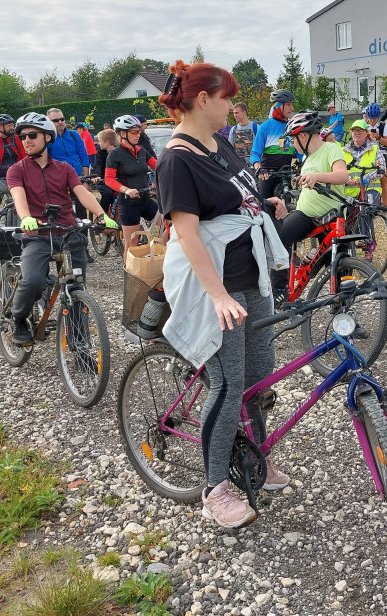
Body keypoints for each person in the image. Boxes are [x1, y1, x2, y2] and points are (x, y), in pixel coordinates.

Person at [154, 60, 289, 528]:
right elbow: (187, 233)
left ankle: (254, 456)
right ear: (203, 100)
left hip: (250, 277)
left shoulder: (222, 144)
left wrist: (265, 203)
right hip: (219, 284)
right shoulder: (176, 158)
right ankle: (214, 488)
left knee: (258, 374)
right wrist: (217, 296)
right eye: (227, 97)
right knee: (228, 382)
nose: (233, 106)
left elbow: (237, 197)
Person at [7, 113, 114, 345]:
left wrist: (101, 215)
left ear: (47, 137)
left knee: (75, 289)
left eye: (32, 135)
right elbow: (18, 196)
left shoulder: (64, 168)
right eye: (22, 136)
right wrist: (26, 218)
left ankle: (79, 345)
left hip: (68, 233)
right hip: (37, 235)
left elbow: (82, 192)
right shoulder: (17, 170)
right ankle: (18, 319)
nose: (26, 140)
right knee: (33, 280)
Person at [271, 111, 350, 302]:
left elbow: (342, 176)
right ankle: (279, 290)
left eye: (294, 139)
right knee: (279, 237)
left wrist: (317, 177)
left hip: (331, 216)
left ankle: (344, 308)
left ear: (303, 136)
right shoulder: (306, 158)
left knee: (341, 264)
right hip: (305, 214)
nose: (293, 144)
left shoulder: (331, 149)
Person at [105, 115, 160, 256]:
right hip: (129, 204)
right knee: (132, 244)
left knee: (168, 224)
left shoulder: (141, 151)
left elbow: (158, 166)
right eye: (134, 132)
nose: (138, 135)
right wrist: (126, 189)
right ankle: (128, 275)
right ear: (123, 134)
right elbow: (109, 179)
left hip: (146, 199)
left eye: (139, 132)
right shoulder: (115, 154)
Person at [45, 107, 92, 219]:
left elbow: (84, 156)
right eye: (55, 120)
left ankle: (83, 234)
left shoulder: (74, 135)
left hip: (77, 176)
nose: (60, 122)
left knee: (82, 207)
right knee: (62, 209)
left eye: (62, 119)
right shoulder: (48, 138)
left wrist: (86, 179)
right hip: (58, 178)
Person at [251, 90, 296, 199]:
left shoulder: (292, 126)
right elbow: (255, 153)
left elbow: (298, 152)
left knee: (286, 210)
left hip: (286, 175)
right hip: (267, 176)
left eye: (292, 105)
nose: (292, 108)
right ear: (279, 106)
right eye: (289, 104)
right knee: (264, 207)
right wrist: (258, 167)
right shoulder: (265, 127)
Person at [342, 119, 387, 206]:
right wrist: (347, 179)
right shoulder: (342, 150)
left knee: (366, 212)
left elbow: (382, 169)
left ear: (366, 133)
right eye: (355, 130)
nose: (357, 133)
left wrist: (364, 179)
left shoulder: (374, 149)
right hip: (347, 191)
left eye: (360, 131)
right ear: (351, 132)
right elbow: (336, 170)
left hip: (370, 189)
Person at [362, 104, 387, 200]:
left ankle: (386, 206)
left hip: (381, 153)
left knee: (384, 181)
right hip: (367, 154)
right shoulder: (363, 125)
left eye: (375, 119)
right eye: (371, 118)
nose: (373, 121)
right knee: (364, 179)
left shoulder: (383, 126)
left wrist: (378, 137)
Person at [91, 129, 119, 212]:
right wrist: (98, 175)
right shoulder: (100, 153)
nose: (99, 143)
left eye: (100, 141)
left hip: (117, 181)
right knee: (107, 194)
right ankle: (102, 215)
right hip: (104, 181)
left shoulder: (120, 153)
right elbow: (98, 165)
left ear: (107, 143)